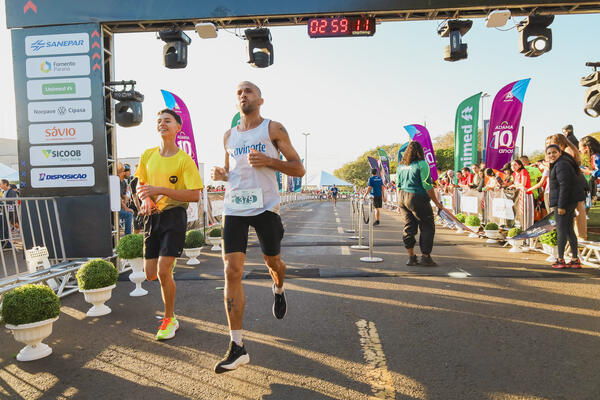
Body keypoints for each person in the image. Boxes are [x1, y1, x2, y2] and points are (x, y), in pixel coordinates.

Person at [210, 81, 305, 374]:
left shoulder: (273, 129)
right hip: (234, 208)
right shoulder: (228, 136)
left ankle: (278, 287)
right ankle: (237, 346)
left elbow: (298, 168)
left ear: (260, 99)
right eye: (238, 92)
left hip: (265, 207)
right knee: (231, 270)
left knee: (272, 261)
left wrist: (269, 161)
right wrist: (221, 175)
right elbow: (231, 173)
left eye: (248, 91)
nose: (243, 95)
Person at [135, 108, 203, 340]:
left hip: (174, 216)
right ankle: (167, 286)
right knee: (151, 274)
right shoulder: (147, 155)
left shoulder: (185, 161)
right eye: (159, 121)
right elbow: (140, 185)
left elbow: (195, 195)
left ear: (177, 128)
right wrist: (145, 198)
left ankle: (169, 318)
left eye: (167, 121)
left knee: (164, 271)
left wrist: (161, 190)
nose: (162, 124)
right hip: (152, 218)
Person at [396, 141, 447, 266]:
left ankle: (411, 257)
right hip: (417, 197)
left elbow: (398, 185)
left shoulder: (400, 166)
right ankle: (425, 257)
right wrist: (436, 202)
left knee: (409, 227)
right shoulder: (422, 164)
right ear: (420, 151)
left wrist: (399, 203)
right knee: (427, 226)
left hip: (402, 197)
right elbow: (427, 185)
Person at [546, 144, 584, 268]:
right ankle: (574, 259)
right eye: (549, 153)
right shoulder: (560, 163)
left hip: (564, 202)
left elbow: (565, 186)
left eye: (554, 152)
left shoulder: (561, 164)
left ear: (560, 153)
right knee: (568, 231)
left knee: (562, 231)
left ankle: (560, 259)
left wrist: (561, 206)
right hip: (567, 201)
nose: (551, 155)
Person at [548, 133, 587, 239]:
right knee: (578, 210)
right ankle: (579, 234)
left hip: (573, 183)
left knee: (577, 210)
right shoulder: (572, 149)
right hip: (577, 181)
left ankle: (580, 234)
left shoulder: (567, 151)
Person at [118, 162, 134, 235]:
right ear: (124, 172)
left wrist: (128, 197)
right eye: (129, 172)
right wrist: (126, 208)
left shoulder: (124, 182)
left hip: (118, 207)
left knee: (129, 213)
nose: (130, 174)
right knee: (129, 215)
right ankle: (128, 236)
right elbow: (118, 198)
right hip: (112, 209)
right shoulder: (116, 181)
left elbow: (124, 196)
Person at [0, 179, 17, 250]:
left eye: (0, 184)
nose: (0, 185)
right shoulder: (3, 192)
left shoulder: (12, 192)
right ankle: (4, 242)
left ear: (5, 184)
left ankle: (6, 243)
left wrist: (2, 202)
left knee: (6, 227)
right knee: (3, 227)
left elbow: (11, 201)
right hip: (3, 213)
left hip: (9, 213)